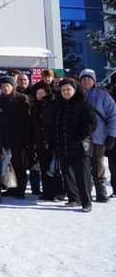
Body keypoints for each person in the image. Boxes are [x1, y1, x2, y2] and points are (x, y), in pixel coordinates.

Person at [53, 78, 97, 212]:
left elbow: (92, 123)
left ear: (75, 89)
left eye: (68, 89)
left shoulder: (83, 103)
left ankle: (86, 202)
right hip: (64, 145)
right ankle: (74, 199)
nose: (65, 92)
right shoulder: (60, 105)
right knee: (68, 175)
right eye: (63, 90)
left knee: (82, 176)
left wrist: (80, 134)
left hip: (80, 146)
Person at [78, 69, 116, 203]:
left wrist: (112, 135)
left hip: (99, 136)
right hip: (81, 137)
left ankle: (101, 191)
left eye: (88, 78)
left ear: (94, 81)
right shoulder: (76, 95)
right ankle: (86, 189)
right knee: (83, 164)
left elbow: (113, 115)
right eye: (83, 79)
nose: (86, 81)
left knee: (98, 164)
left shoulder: (103, 95)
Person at [0, 75, 31, 199]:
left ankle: (21, 190)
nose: (5, 88)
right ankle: (11, 188)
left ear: (12, 86)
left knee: (19, 166)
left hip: (19, 137)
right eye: (2, 86)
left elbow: (27, 119)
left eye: (7, 86)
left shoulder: (22, 98)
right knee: (8, 165)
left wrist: (27, 138)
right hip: (4, 137)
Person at [30, 81, 62, 201]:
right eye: (38, 93)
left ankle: (58, 193)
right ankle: (47, 192)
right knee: (44, 169)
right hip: (40, 142)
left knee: (55, 169)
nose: (40, 95)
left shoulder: (54, 103)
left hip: (52, 141)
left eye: (42, 92)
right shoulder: (35, 106)